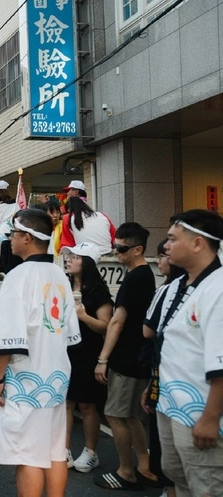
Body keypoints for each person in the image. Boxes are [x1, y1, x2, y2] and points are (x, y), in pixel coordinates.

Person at [0, 209, 81, 497]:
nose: (10, 240)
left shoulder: (19, 276)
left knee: (27, 454)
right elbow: (70, 332)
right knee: (54, 450)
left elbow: (9, 335)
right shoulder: (59, 274)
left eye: (13, 235)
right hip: (55, 374)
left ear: (27, 237)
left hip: (26, 376)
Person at [152, 210, 223, 496]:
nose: (166, 246)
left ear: (197, 244)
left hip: (200, 414)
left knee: (205, 485)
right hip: (171, 405)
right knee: (179, 479)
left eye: (172, 239)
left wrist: (210, 418)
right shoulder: (185, 284)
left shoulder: (217, 288)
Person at [93, 222, 159, 491]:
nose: (116, 252)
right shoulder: (141, 275)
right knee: (131, 416)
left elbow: (117, 321)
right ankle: (144, 465)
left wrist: (103, 358)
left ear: (138, 249)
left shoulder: (136, 278)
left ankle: (126, 471)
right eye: (114, 246)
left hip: (128, 359)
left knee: (116, 415)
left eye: (121, 248)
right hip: (137, 358)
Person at [61, 242, 113, 473]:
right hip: (65, 351)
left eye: (75, 257)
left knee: (87, 404)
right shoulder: (63, 284)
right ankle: (63, 449)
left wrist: (83, 316)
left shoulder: (98, 291)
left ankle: (91, 453)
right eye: (68, 256)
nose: (68, 259)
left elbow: (105, 326)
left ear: (88, 263)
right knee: (66, 402)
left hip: (89, 352)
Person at [140, 238, 185, 497]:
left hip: (170, 383)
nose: (160, 258)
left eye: (163, 254)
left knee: (172, 455)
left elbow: (148, 330)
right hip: (171, 381)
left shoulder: (167, 290)